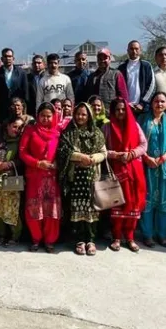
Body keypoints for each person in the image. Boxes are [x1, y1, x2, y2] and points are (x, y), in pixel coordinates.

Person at [58, 103, 107, 256]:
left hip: (92, 177)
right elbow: (63, 151)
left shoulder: (97, 133)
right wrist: (80, 157)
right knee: (77, 208)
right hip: (75, 178)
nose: (80, 117)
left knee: (92, 209)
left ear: (89, 116)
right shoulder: (69, 132)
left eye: (84, 114)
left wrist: (92, 158)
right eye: (78, 114)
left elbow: (104, 153)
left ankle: (91, 240)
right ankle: (79, 240)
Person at [103, 98, 147, 253]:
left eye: (123, 109)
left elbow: (143, 145)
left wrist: (132, 154)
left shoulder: (135, 126)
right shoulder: (107, 127)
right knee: (117, 204)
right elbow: (101, 149)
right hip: (115, 171)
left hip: (134, 171)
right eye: (117, 110)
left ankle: (130, 237)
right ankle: (116, 237)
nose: (120, 112)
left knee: (133, 204)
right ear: (113, 111)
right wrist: (116, 155)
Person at [137, 93, 166, 248]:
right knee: (147, 200)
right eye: (156, 101)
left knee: (165, 201)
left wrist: (165, 157)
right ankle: (147, 235)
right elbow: (136, 139)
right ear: (152, 103)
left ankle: (163, 235)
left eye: (162, 101)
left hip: (165, 166)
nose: (159, 104)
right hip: (147, 165)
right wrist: (146, 157)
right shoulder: (143, 119)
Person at [19, 102, 62, 253]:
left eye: (48, 116)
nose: (45, 119)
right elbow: (22, 152)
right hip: (35, 176)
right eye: (42, 116)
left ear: (53, 116)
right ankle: (36, 238)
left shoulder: (58, 132)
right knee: (34, 208)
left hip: (52, 177)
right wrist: (38, 163)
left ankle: (50, 240)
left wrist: (57, 162)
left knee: (51, 209)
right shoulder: (30, 131)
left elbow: (63, 152)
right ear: (37, 116)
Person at [0, 115, 25, 247]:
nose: (17, 130)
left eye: (20, 128)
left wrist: (8, 164)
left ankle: (15, 236)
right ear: (8, 126)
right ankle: (1, 234)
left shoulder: (21, 142)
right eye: (14, 126)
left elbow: (22, 160)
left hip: (12, 178)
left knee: (11, 208)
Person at [118, 40, 155, 115]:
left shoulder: (146, 66)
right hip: (126, 108)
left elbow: (152, 86)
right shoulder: (121, 68)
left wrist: (142, 103)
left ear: (140, 50)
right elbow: (118, 87)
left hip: (143, 108)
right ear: (127, 51)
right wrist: (126, 103)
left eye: (136, 49)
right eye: (131, 49)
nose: (134, 51)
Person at [0, 48, 29, 123]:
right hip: (2, 109)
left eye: (10, 56)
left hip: (18, 109)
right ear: (2, 59)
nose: (8, 58)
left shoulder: (21, 73)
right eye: (5, 56)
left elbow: (25, 92)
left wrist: (24, 109)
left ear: (13, 58)